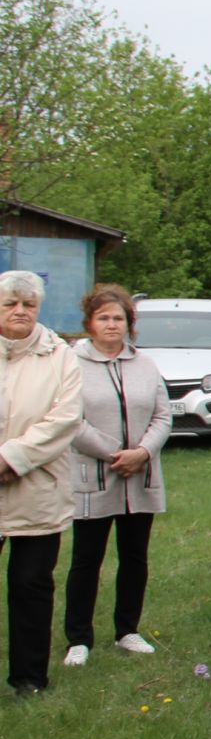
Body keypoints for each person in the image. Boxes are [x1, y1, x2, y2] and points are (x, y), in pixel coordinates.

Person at [63, 283, 171, 666]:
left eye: (119, 318)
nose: (112, 325)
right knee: (86, 559)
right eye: (103, 318)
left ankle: (128, 629)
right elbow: (70, 421)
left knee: (135, 557)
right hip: (96, 475)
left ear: (130, 323)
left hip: (139, 478)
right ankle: (78, 638)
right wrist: (114, 454)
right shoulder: (71, 365)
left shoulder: (144, 364)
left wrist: (142, 452)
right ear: (90, 323)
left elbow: (163, 414)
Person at [0, 270, 85, 698]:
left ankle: (29, 679)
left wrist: (11, 458)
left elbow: (66, 418)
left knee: (31, 585)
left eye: (28, 304)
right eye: (10, 304)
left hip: (37, 488)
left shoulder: (61, 356)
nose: (20, 311)